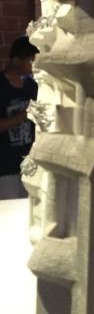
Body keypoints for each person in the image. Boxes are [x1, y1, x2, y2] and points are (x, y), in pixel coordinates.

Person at [0, 36, 39, 200]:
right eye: (30, 61)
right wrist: (23, 116)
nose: (33, 65)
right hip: (5, 166)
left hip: (31, 163)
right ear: (16, 60)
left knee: (30, 209)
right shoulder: (1, 85)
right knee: (8, 209)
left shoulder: (32, 86)